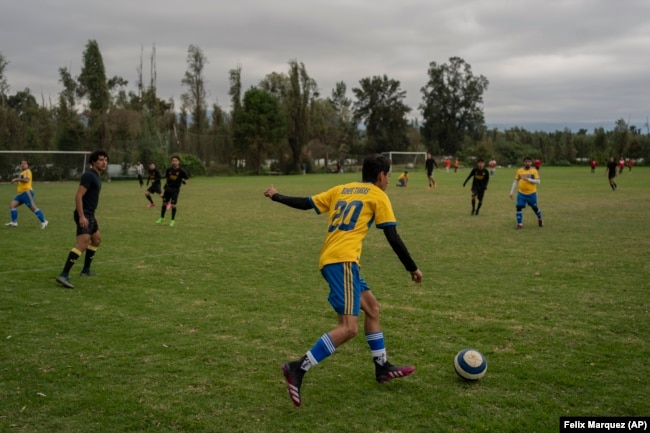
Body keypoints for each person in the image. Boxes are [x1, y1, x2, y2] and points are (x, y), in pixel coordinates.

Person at [264, 154, 423, 407]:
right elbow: (392, 237)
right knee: (348, 327)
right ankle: (298, 367)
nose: (389, 181)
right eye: (389, 176)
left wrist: (276, 196)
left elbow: (307, 203)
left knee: (372, 309)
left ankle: (382, 367)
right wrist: (412, 268)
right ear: (381, 176)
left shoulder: (343, 189)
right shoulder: (378, 195)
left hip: (335, 260)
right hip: (343, 262)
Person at [55, 150, 109, 289]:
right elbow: (78, 196)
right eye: (101, 160)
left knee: (96, 240)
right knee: (83, 244)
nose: (104, 162)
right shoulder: (88, 175)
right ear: (93, 162)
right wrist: (82, 216)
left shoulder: (97, 175)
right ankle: (64, 274)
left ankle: (85, 270)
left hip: (91, 214)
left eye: (105, 160)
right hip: (84, 214)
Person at [5, 160, 49, 229]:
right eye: (22, 164)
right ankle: (14, 222)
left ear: (27, 165)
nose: (23, 165)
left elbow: (26, 180)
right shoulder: (22, 172)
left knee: (33, 208)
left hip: (26, 192)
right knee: (12, 205)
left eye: (25, 163)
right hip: (21, 194)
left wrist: (16, 179)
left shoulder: (27, 171)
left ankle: (44, 221)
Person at [509, 156, 543, 229]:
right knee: (519, 206)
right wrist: (511, 192)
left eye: (529, 162)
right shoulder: (519, 171)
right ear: (524, 162)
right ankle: (520, 224)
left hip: (532, 193)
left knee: (535, 208)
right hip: (521, 193)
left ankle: (540, 218)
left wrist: (529, 179)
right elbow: (515, 181)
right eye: (526, 162)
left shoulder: (534, 171)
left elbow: (538, 181)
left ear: (531, 163)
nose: (527, 163)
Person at [156, 155, 189, 227]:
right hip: (168, 189)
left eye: (176, 161)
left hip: (175, 190)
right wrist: (165, 185)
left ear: (179, 162)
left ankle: (172, 220)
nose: (174, 162)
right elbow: (167, 178)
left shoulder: (181, 171)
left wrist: (185, 182)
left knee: (173, 205)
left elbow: (186, 179)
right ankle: (162, 218)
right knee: (164, 203)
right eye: (173, 161)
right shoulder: (169, 170)